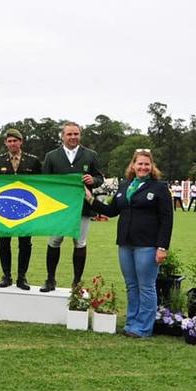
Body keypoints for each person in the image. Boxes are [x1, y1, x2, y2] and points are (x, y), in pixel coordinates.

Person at [87, 149, 173, 337]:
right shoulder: (125, 186)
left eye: (146, 164)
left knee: (146, 286)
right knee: (131, 285)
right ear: (133, 166)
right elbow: (111, 211)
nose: (142, 167)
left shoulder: (159, 188)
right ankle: (131, 323)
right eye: (139, 163)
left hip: (147, 245)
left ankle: (143, 328)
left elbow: (167, 220)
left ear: (152, 167)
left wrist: (162, 247)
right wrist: (90, 199)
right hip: (125, 244)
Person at [40, 121, 104, 292]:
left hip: (82, 207)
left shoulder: (90, 155)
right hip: (58, 209)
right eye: (69, 134)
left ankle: (77, 282)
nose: (73, 137)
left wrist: (93, 180)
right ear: (62, 136)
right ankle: (50, 279)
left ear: (80, 135)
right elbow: (45, 182)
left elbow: (100, 177)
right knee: (54, 241)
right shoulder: (52, 156)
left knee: (80, 243)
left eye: (76, 134)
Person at [0, 128, 42, 290]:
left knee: (25, 243)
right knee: (3, 242)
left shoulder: (33, 162)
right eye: (9, 141)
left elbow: (41, 185)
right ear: (5, 143)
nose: (12, 144)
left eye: (15, 141)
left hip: (26, 208)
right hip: (4, 209)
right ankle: (6, 276)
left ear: (21, 142)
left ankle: (21, 277)